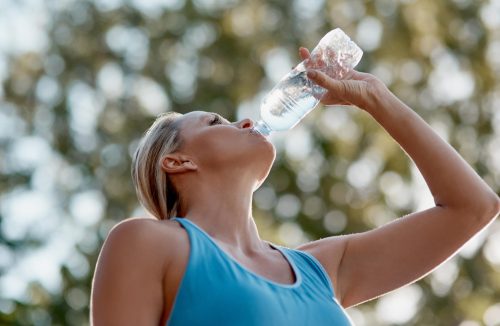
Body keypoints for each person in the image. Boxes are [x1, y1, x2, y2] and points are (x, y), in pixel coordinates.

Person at [90, 46, 500, 325]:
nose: (246, 122)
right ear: (178, 161)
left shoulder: (322, 269)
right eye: (216, 122)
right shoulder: (145, 242)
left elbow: (473, 207)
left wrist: (376, 98)